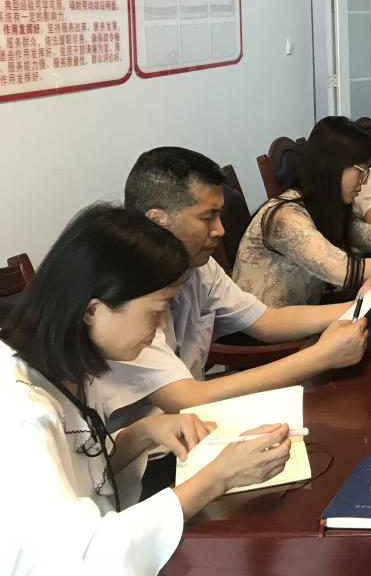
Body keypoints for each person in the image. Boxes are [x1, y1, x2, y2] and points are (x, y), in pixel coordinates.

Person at [0, 205, 292, 575]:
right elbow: (87, 559)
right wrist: (219, 476)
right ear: (92, 311)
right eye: (156, 311)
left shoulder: (66, 368)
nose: (159, 328)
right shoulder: (21, 412)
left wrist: (142, 433)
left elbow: (81, 476)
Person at [93, 146, 371, 432]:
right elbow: (186, 399)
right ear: (156, 221)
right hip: (153, 451)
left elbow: (267, 321)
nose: (220, 230)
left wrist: (359, 308)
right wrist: (321, 357)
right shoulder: (123, 298)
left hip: (199, 427)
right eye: (207, 217)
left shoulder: (198, 266)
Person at [234, 117, 371, 307]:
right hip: (273, 331)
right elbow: (342, 271)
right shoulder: (285, 217)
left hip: (308, 315)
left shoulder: (322, 205)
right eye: (361, 172)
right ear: (332, 166)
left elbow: (355, 229)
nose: (364, 182)